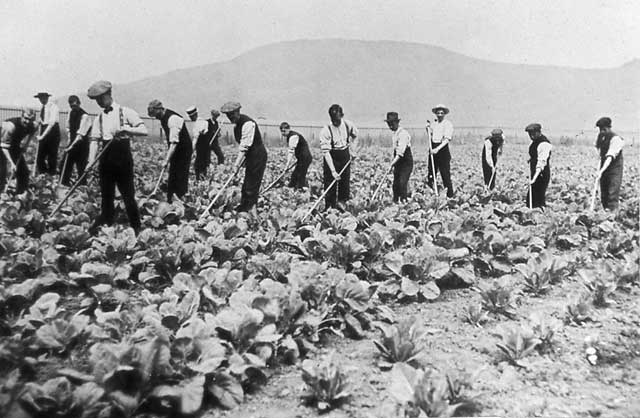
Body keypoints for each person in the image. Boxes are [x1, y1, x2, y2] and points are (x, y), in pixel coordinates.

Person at [86, 80, 147, 235]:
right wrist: (90, 161)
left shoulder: (126, 112)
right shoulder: (98, 118)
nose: (99, 102)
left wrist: (126, 129)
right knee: (107, 195)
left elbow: (143, 129)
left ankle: (136, 227)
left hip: (122, 158)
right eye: (96, 100)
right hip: (105, 159)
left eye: (100, 99)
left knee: (128, 195)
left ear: (108, 95)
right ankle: (106, 226)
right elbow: (94, 141)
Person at [220, 101, 267, 213]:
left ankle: (250, 209)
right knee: (246, 183)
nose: (230, 118)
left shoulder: (248, 124)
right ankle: (244, 206)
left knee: (252, 185)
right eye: (228, 116)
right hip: (251, 157)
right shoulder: (237, 125)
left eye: (232, 115)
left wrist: (236, 165)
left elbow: (244, 147)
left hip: (258, 156)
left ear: (238, 112)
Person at [148, 100, 193, 203]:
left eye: (155, 114)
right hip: (176, 148)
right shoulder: (164, 117)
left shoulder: (172, 119)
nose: (155, 117)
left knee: (180, 174)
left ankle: (180, 199)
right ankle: (171, 198)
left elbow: (174, 142)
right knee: (173, 173)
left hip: (183, 150)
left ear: (159, 109)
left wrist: (166, 159)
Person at [319, 104, 358, 209]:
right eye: (333, 120)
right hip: (332, 156)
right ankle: (329, 208)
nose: (335, 122)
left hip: (344, 154)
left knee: (344, 182)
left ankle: (342, 206)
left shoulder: (348, 125)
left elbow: (355, 136)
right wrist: (333, 171)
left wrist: (353, 151)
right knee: (330, 182)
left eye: (337, 119)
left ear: (342, 115)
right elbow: (326, 152)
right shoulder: (326, 130)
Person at [0, 108, 38, 194]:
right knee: (1, 170)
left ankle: (21, 193)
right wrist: (12, 163)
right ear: (22, 116)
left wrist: (26, 144)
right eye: (25, 118)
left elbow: (31, 133)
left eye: (30, 120)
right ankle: (1, 193)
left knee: (23, 171)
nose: (27, 121)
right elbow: (4, 147)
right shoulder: (10, 126)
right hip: (2, 144)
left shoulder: (34, 125)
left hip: (14, 144)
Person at [594, 117, 625, 211]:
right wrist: (599, 169)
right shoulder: (602, 138)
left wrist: (601, 171)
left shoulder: (616, 139)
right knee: (604, 192)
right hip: (605, 167)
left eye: (603, 129)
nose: (601, 132)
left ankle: (612, 215)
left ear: (608, 128)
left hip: (614, 169)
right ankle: (605, 213)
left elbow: (610, 157)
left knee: (612, 192)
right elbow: (600, 154)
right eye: (600, 129)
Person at [61, 95, 92, 186]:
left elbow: (80, 135)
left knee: (81, 166)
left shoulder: (85, 116)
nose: (73, 107)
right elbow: (68, 128)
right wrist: (69, 141)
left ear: (79, 103)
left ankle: (82, 187)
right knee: (65, 164)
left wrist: (71, 146)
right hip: (73, 142)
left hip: (82, 144)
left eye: (75, 105)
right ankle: (64, 184)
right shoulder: (70, 112)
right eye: (71, 106)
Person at [187, 106, 223, 181]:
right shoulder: (205, 121)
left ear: (193, 115)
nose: (190, 118)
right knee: (204, 163)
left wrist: (191, 150)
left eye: (191, 116)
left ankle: (199, 180)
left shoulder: (199, 123)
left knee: (199, 164)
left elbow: (195, 139)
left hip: (202, 147)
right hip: (206, 146)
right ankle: (202, 179)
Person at [427, 104, 455, 197]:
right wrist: (427, 128)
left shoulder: (448, 124)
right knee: (431, 173)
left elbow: (446, 140)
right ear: (435, 114)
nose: (439, 115)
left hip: (442, 150)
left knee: (445, 174)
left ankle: (450, 196)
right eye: (438, 113)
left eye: (441, 113)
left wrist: (437, 149)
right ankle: (431, 194)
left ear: (444, 114)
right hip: (433, 148)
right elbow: (430, 134)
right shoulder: (434, 124)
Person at [384, 112, 413, 202]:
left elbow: (400, 153)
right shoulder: (395, 133)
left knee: (402, 182)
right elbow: (396, 151)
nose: (391, 126)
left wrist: (391, 164)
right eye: (389, 124)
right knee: (395, 184)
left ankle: (404, 203)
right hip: (398, 162)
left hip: (406, 162)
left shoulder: (403, 134)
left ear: (397, 122)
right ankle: (395, 202)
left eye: (392, 123)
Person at [525, 123, 552, 208]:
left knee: (538, 197)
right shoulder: (535, 142)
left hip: (541, 174)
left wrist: (534, 178)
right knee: (532, 197)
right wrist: (531, 159)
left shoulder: (544, 144)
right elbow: (535, 154)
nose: (532, 136)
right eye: (530, 134)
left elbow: (541, 162)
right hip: (535, 173)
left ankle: (540, 216)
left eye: (533, 134)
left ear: (539, 132)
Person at [34, 91, 61, 175]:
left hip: (52, 131)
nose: (41, 99)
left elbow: (51, 124)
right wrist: (40, 122)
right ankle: (43, 174)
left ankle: (51, 175)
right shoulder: (42, 107)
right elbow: (43, 120)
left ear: (47, 97)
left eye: (42, 98)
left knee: (52, 156)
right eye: (40, 98)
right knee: (40, 156)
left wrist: (42, 136)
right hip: (44, 128)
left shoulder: (53, 107)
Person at [279, 122, 312, 189]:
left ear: (288, 129)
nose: (283, 133)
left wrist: (287, 165)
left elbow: (291, 152)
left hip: (305, 158)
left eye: (284, 131)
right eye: (282, 131)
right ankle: (292, 187)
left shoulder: (293, 137)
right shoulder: (290, 136)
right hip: (302, 158)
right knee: (295, 175)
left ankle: (302, 190)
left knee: (300, 175)